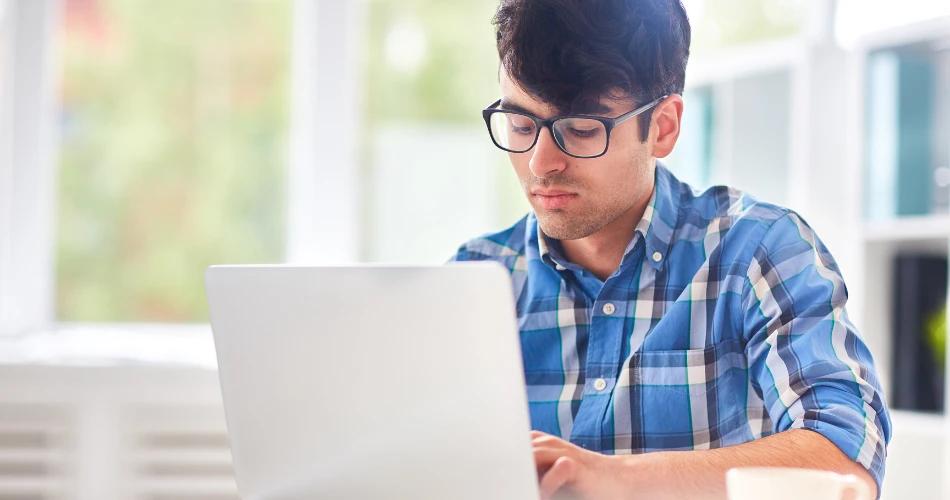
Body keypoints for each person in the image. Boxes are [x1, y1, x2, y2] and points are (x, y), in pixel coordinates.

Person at [451, 1, 891, 498]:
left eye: (580, 130)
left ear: (662, 127)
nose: (540, 163)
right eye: (521, 124)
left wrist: (608, 477)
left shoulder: (757, 251)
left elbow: (845, 460)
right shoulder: (476, 278)